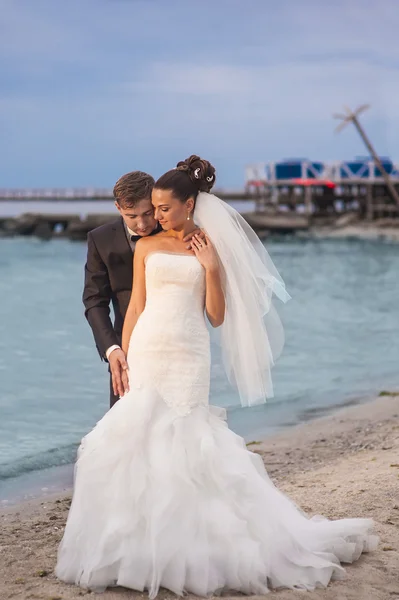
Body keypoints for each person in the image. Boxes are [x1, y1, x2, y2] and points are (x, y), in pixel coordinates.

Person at [56, 155, 377, 597]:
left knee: (189, 439)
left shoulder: (208, 246)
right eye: (149, 210)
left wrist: (209, 267)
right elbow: (133, 307)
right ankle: (133, 548)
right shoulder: (146, 247)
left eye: (162, 209)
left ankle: (193, 546)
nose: (154, 218)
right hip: (147, 347)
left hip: (189, 350)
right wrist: (122, 356)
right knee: (136, 437)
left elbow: (217, 316)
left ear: (188, 205)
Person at [82, 170, 203, 408]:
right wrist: (112, 349)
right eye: (132, 216)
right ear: (118, 208)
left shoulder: (178, 233)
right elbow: (94, 300)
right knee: (126, 429)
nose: (143, 223)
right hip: (127, 351)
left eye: (148, 213)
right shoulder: (100, 239)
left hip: (178, 346)